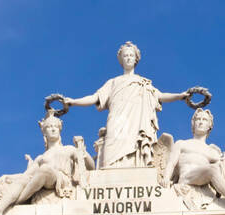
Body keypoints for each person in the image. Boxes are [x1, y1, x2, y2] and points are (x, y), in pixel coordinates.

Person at [62, 41, 192, 169]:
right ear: (121, 60)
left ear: (136, 59)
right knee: (110, 147)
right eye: (125, 56)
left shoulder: (143, 83)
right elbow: (95, 97)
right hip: (117, 119)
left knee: (135, 147)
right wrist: (73, 102)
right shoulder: (113, 82)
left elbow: (161, 96)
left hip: (137, 121)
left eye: (131, 55)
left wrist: (180, 96)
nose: (128, 58)